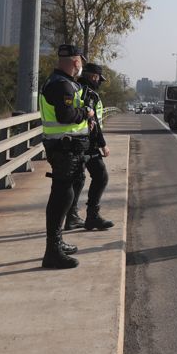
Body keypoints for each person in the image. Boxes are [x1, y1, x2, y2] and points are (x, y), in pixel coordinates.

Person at [39, 45, 95, 269]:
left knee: (65, 194)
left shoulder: (59, 81)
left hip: (66, 147)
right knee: (62, 196)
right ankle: (52, 251)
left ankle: (58, 243)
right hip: (64, 147)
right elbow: (66, 116)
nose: (81, 65)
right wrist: (87, 113)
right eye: (81, 61)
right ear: (75, 61)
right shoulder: (62, 85)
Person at [66, 63, 114, 232]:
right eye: (98, 79)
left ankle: (72, 216)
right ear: (93, 77)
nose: (99, 82)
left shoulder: (75, 88)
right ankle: (91, 216)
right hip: (88, 142)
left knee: (78, 179)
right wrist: (102, 144)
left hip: (75, 140)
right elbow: (93, 122)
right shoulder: (89, 94)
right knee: (101, 176)